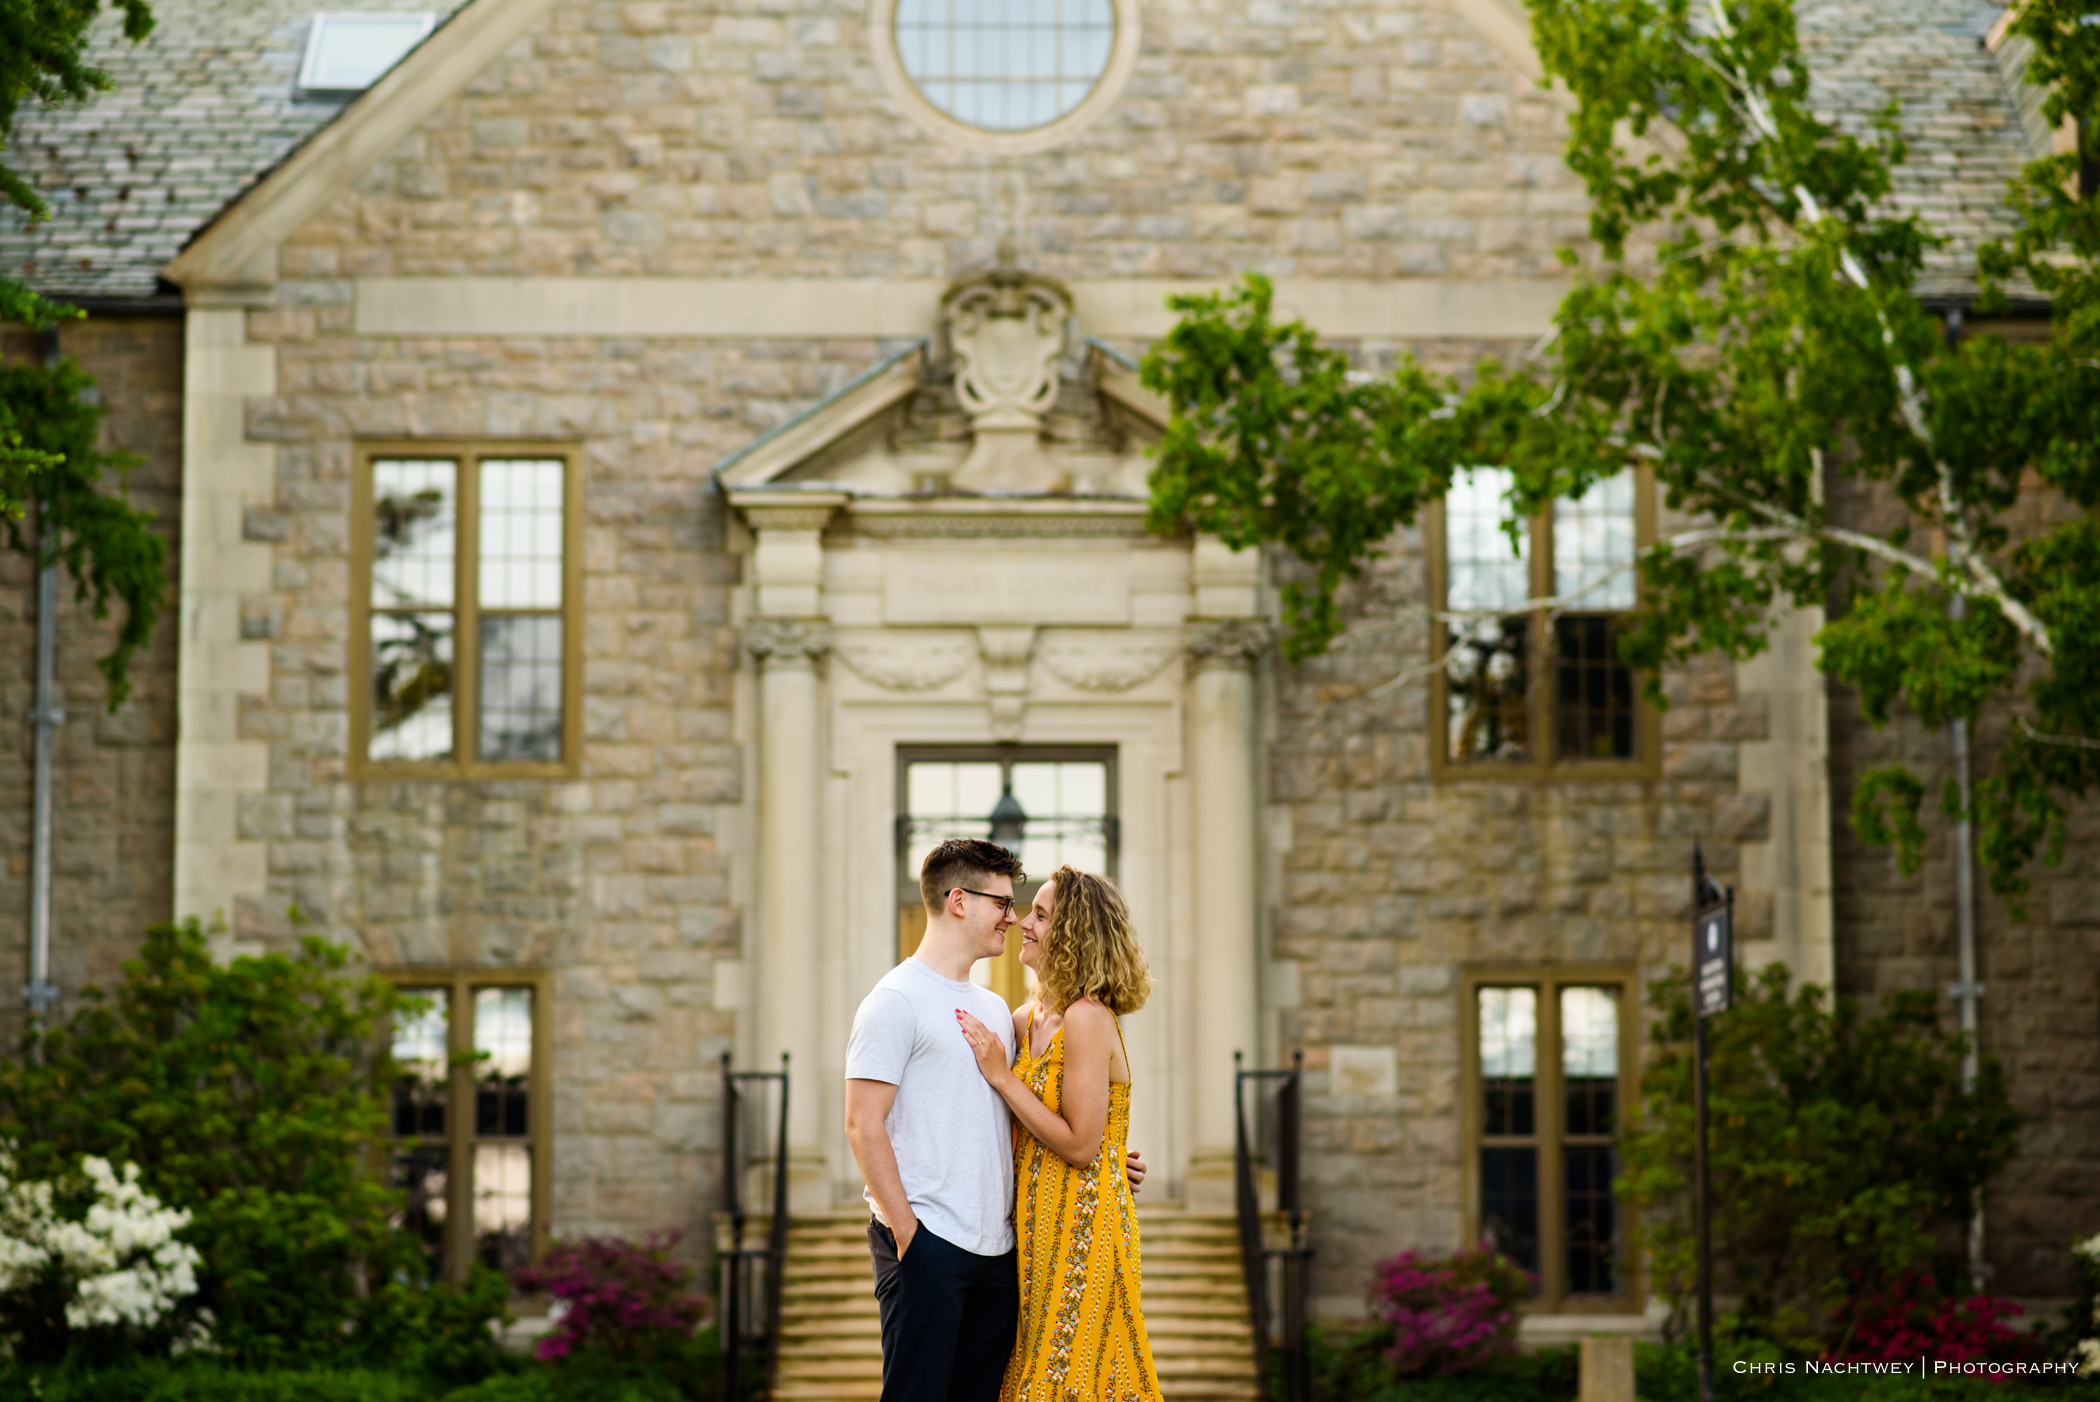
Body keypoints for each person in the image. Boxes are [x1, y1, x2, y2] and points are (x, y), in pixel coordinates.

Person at [844, 838, 1146, 1402]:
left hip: (1005, 1251)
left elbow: (1017, 1117)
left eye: (1028, 909)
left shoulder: (994, 1012)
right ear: (958, 901)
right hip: (929, 1243)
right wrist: (909, 1236)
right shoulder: (895, 1001)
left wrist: (1107, 1164)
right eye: (1005, 904)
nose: (1015, 918)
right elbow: (863, 1125)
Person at [955, 865, 1162, 1402]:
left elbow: (1079, 1144)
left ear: (1072, 934)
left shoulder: (1088, 1016)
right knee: (1030, 1372)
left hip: (1086, 1224)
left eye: (1040, 915)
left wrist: (1001, 1075)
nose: (1023, 922)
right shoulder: (1024, 1019)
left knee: (1069, 1378)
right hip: (1032, 1224)